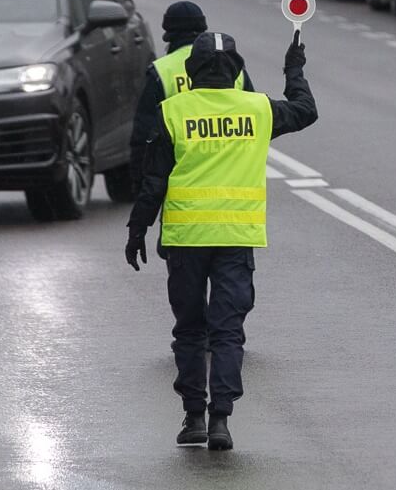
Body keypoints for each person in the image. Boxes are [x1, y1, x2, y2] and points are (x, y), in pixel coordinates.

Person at [125, 29, 317, 451]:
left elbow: (152, 181)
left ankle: (193, 416)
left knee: (190, 330)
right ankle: (221, 421)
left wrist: (137, 229)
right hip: (235, 238)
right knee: (227, 332)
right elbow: (305, 110)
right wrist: (294, 69)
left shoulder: (172, 111)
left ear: (191, 70)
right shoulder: (258, 109)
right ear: (236, 71)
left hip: (186, 239)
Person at [128, 0, 253, 175]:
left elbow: (144, 134)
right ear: (203, 29)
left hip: (181, 173)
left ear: (169, 34)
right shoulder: (233, 68)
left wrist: (140, 182)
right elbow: (255, 119)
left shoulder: (161, 71)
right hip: (231, 170)